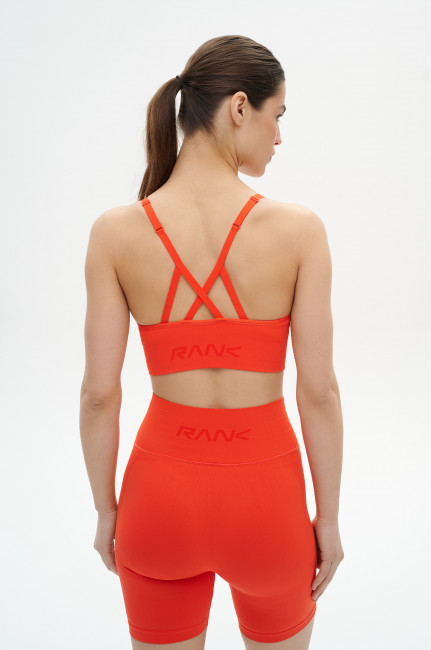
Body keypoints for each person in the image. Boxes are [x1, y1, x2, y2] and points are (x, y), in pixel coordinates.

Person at [80, 34, 344, 650]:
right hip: (268, 504)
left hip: (157, 501)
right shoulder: (299, 231)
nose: (279, 137)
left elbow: (98, 395)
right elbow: (320, 392)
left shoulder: (114, 233)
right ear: (240, 107)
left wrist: (107, 512)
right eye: (278, 116)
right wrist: (327, 520)